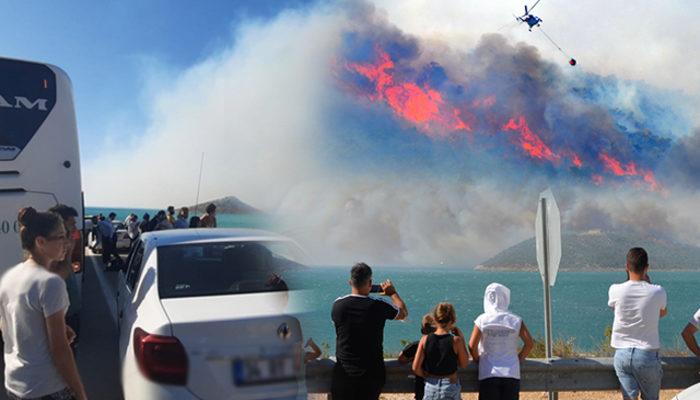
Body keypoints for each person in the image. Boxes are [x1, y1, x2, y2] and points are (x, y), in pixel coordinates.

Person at [0, 207, 88, 400]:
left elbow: (9, 323)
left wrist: (57, 325)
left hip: (16, 383)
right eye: (61, 237)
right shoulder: (51, 283)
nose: (67, 242)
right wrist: (80, 393)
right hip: (46, 387)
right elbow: (60, 350)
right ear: (41, 242)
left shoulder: (11, 275)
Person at [331, 262, 408, 400]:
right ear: (370, 282)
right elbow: (402, 313)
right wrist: (392, 293)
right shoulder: (379, 305)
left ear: (350, 282)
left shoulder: (338, 305)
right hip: (371, 376)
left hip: (343, 375)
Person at [608, 247, 667, 400]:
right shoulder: (658, 291)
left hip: (622, 354)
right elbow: (661, 312)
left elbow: (616, 310)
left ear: (627, 267)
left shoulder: (615, 290)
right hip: (647, 355)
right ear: (647, 268)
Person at [469, 283, 533, 400]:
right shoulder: (516, 320)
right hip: (511, 373)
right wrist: (518, 359)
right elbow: (529, 344)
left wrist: (477, 359)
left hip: (488, 373)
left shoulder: (482, 320)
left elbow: (472, 345)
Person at [412, 303, 468, 400]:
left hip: (430, 385)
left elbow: (416, 368)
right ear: (453, 319)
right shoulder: (456, 341)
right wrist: (461, 338)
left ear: (435, 319)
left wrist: (428, 377)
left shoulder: (425, 339)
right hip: (450, 384)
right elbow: (464, 363)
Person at [47, 204, 82, 345]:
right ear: (61, 224)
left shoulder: (63, 245)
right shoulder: (53, 247)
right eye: (71, 223)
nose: (75, 227)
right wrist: (68, 255)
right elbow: (54, 279)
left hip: (69, 311)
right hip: (61, 314)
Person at [398, 314, 436, 400]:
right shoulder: (446, 345)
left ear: (422, 330)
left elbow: (401, 359)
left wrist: (415, 358)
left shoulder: (416, 346)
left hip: (422, 390)